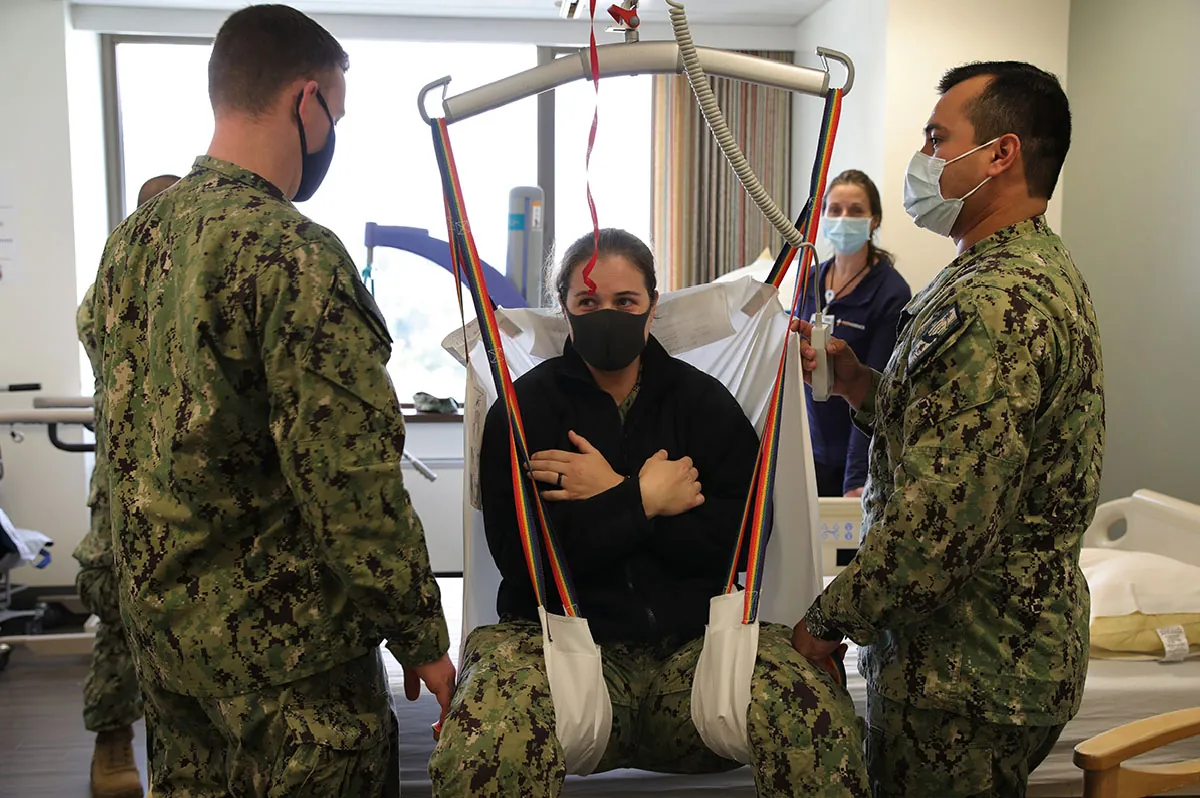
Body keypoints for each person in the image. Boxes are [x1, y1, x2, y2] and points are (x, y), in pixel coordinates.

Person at [87, 6, 453, 796]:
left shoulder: (133, 244)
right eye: (338, 113)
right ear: (307, 101)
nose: (332, 134)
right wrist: (419, 631)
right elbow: (349, 481)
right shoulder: (292, 253)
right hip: (293, 671)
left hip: (170, 652)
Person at [429, 228, 868, 797]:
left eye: (625, 302)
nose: (606, 314)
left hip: (696, 661)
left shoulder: (705, 404)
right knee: (482, 744)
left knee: (814, 716)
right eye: (588, 303)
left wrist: (608, 493)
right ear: (565, 308)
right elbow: (525, 560)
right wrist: (642, 500)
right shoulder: (523, 412)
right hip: (554, 651)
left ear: (652, 307)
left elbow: (741, 542)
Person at [790, 61, 1105, 797]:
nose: (923, 159)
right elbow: (965, 443)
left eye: (937, 139)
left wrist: (826, 620)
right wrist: (865, 385)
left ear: (1001, 154)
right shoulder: (1017, 270)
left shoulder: (994, 305)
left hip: (967, 674)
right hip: (988, 661)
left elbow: (938, 529)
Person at [74, 173, 179, 798]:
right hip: (122, 476)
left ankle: (176, 744)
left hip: (185, 477)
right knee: (117, 603)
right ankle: (112, 739)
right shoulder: (115, 284)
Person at [799, 170, 911, 497]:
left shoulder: (890, 292)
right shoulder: (809, 279)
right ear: (822, 217)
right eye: (835, 210)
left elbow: (876, 391)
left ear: (874, 220)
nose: (844, 218)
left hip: (858, 454)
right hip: (809, 448)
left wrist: (856, 480)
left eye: (856, 210)